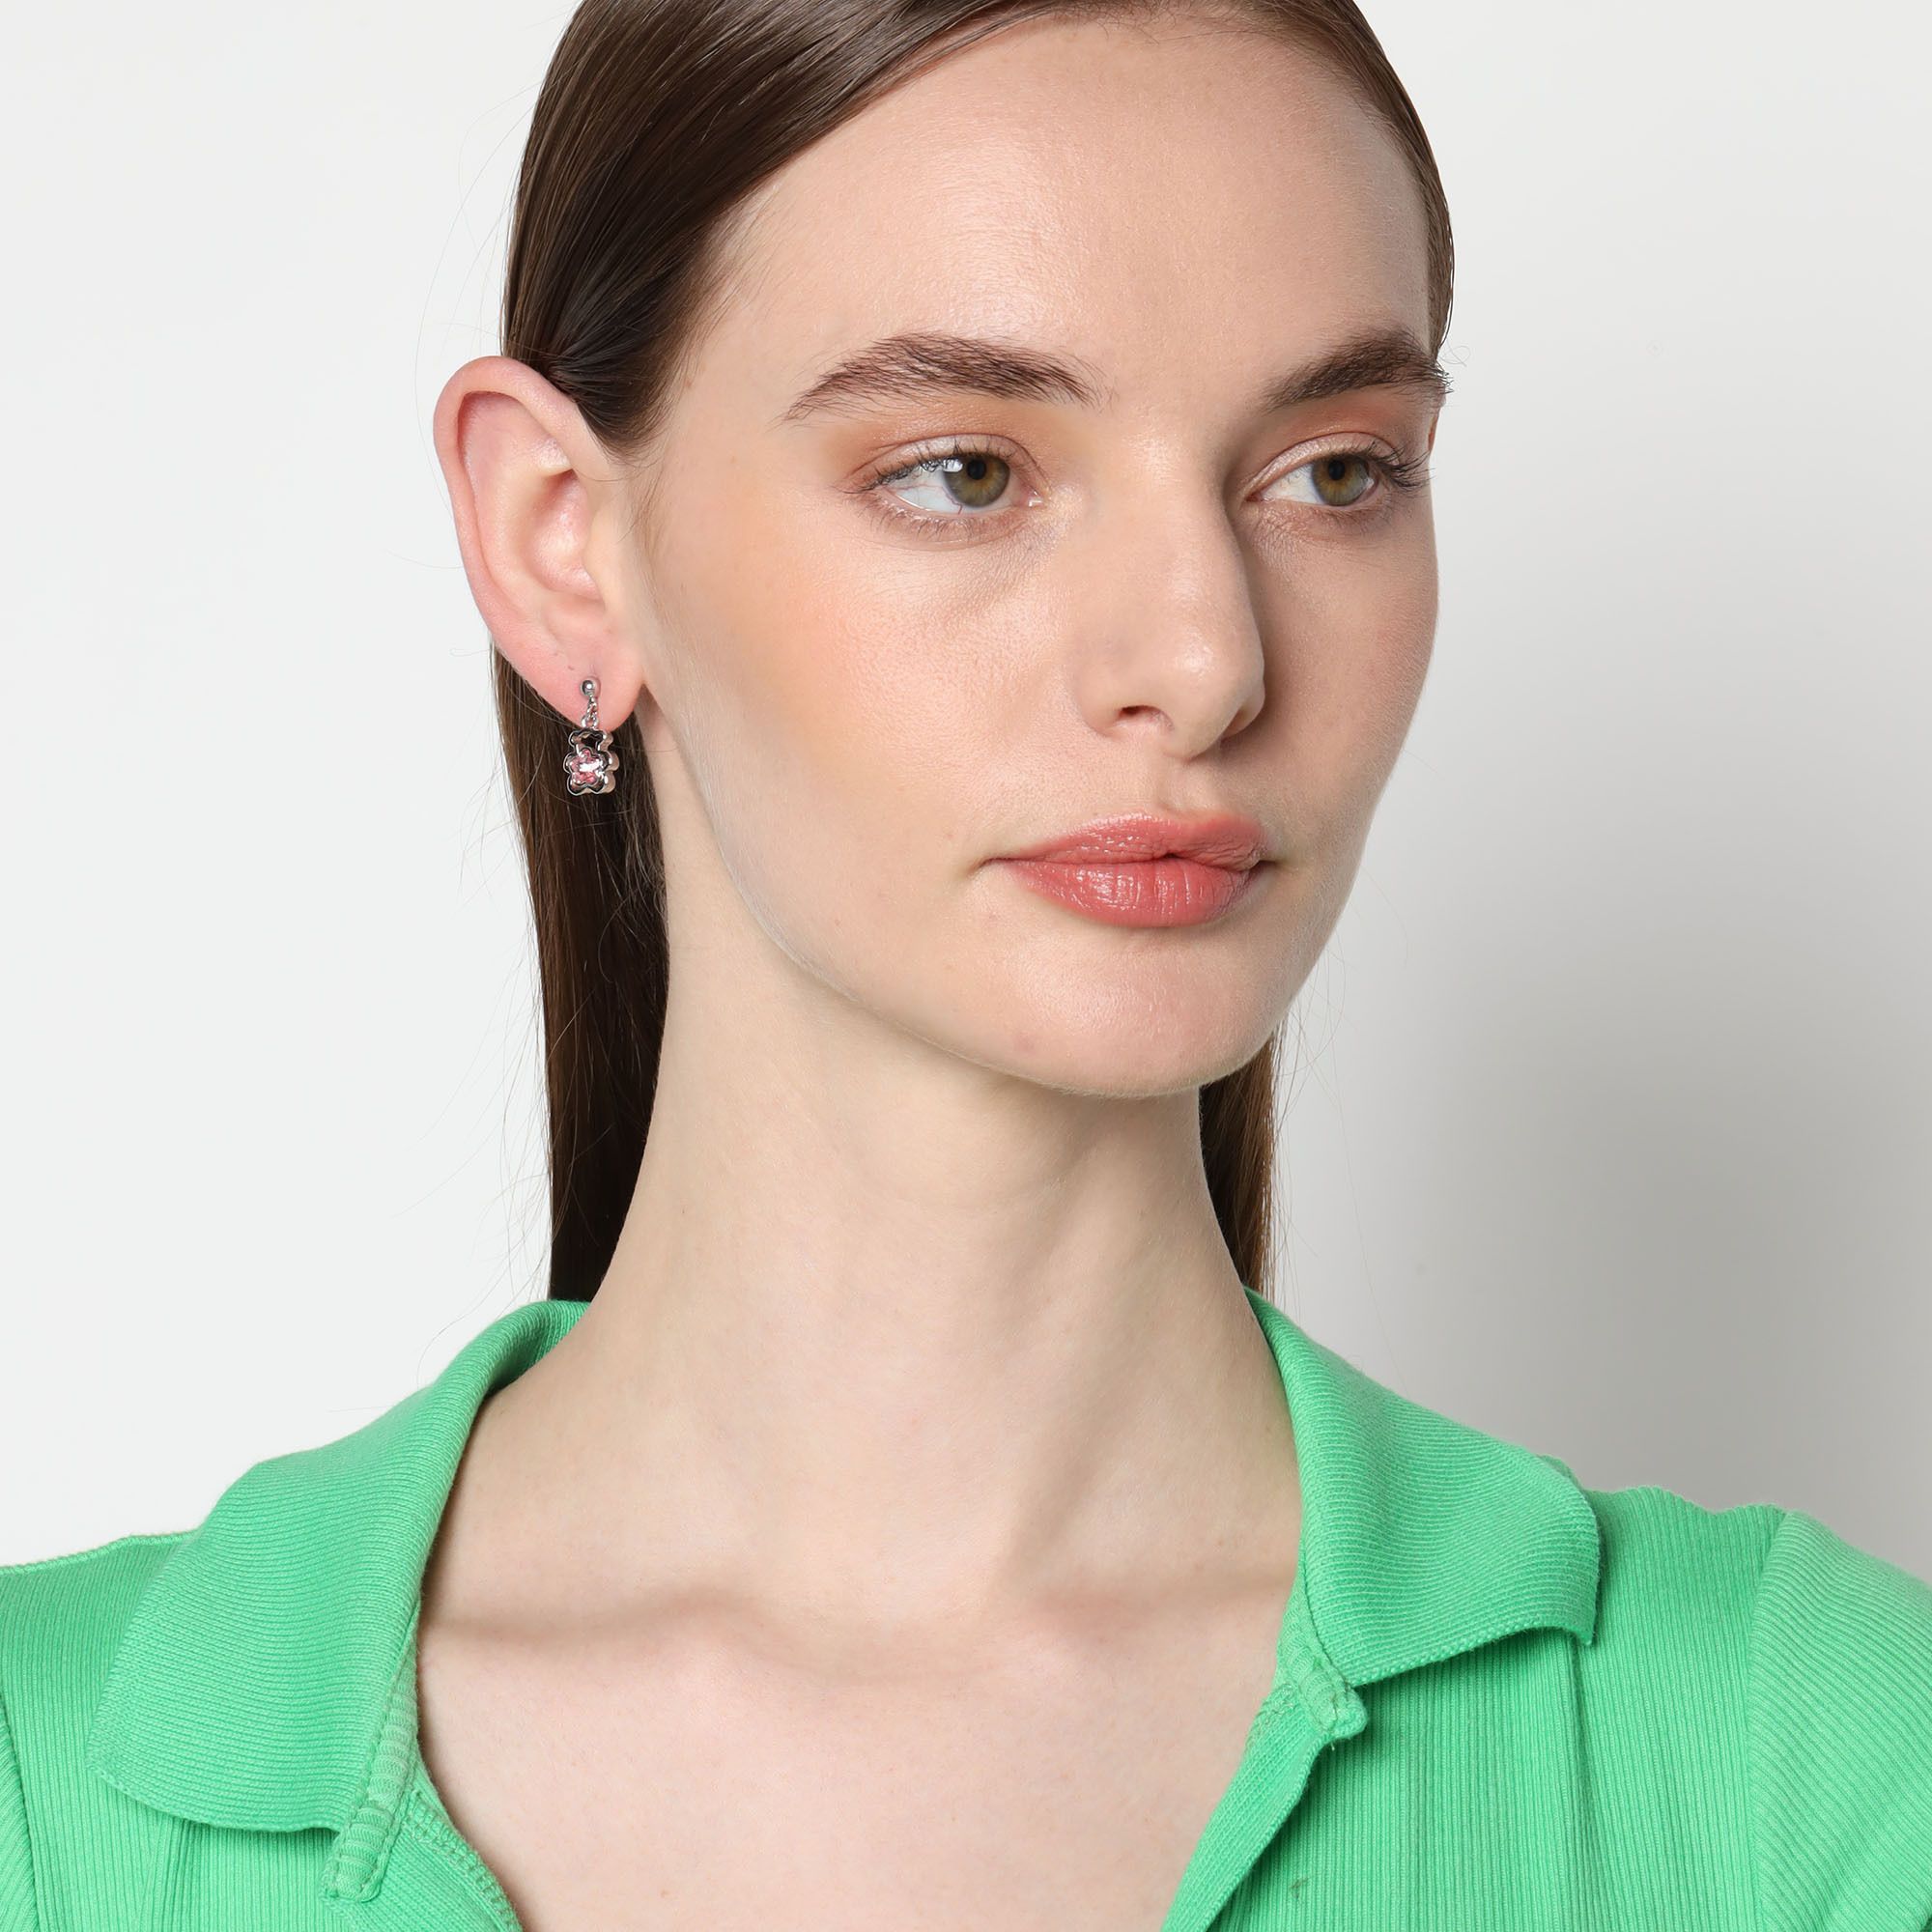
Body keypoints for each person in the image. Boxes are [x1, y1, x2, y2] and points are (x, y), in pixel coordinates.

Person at [4, 1, 1928, 1927]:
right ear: (563, 543)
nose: (1206, 659)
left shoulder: (1809, 1766)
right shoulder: (41, 1787)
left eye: (1337, 472)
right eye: (965, 473)